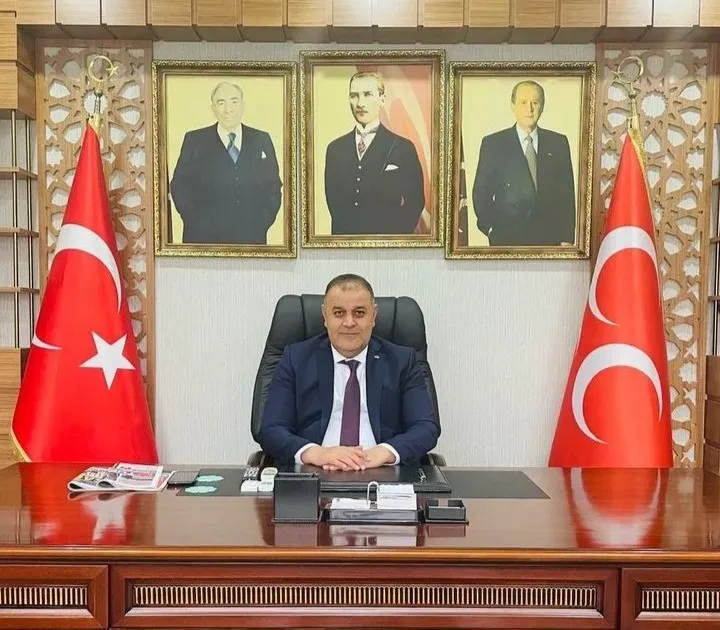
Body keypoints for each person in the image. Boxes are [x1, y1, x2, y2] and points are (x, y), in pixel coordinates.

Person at [260, 274, 439, 470]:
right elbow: (271, 428)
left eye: (359, 313)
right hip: (315, 471)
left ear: (374, 316)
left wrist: (385, 452)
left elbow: (426, 427)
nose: (349, 322)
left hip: (381, 470)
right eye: (338, 313)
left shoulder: (402, 361)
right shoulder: (296, 358)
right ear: (325, 316)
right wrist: (316, 453)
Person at [170, 82, 282, 245]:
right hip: (203, 240)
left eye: (234, 101)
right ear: (213, 108)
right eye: (221, 102)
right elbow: (179, 186)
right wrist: (196, 222)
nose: (228, 109)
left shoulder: (261, 139)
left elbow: (273, 186)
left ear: (242, 105)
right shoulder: (195, 140)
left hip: (251, 239)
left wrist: (261, 222)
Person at [472, 80, 576, 247]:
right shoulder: (494, 144)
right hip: (507, 240)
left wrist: (567, 238)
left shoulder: (558, 143)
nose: (530, 109)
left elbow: (567, 195)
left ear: (542, 106)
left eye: (535, 102)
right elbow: (481, 193)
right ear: (513, 105)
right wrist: (491, 228)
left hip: (549, 242)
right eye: (523, 102)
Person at [324, 72, 425, 235]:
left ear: (382, 99)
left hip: (387, 243)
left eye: (367, 95)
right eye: (354, 96)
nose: (360, 103)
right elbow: (334, 205)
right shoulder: (335, 150)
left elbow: (415, 202)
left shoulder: (403, 148)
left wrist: (391, 238)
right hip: (345, 245)